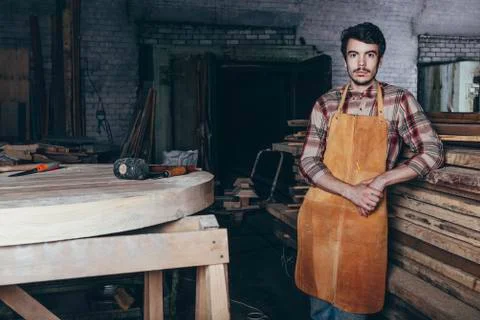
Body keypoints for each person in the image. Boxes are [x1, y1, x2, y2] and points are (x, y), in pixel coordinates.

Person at [295, 22, 444, 320]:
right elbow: (308, 161)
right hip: (321, 216)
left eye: (370, 55)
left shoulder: (398, 101)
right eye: (354, 55)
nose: (361, 64)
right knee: (320, 307)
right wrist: (351, 191)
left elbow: (433, 152)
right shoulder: (326, 103)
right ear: (345, 58)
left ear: (380, 59)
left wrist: (383, 179)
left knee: (354, 307)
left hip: (365, 218)